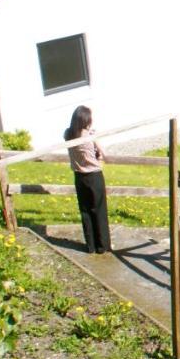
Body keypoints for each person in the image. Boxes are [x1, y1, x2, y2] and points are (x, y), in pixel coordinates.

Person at [65, 106, 110, 255]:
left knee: (85, 211)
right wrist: (95, 138)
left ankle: (90, 246)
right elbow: (104, 154)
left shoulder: (68, 134)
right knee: (99, 210)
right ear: (86, 120)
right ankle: (102, 245)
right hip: (94, 176)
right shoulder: (89, 137)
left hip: (79, 177)